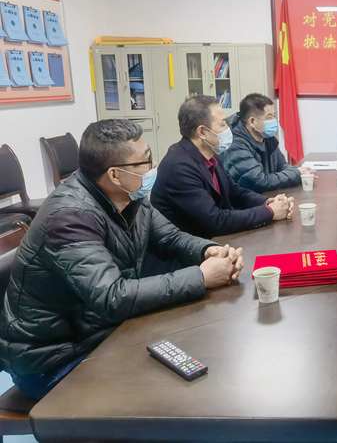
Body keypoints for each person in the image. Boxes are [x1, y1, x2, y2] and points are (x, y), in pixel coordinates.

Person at [0, 120, 244, 399]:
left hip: (100, 332)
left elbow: (171, 238)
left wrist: (209, 251)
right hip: (53, 360)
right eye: (145, 161)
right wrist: (201, 276)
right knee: (170, 394)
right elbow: (112, 297)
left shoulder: (128, 195)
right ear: (115, 174)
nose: (153, 166)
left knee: (202, 347)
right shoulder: (69, 218)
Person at [151, 95, 294, 239]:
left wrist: (267, 202)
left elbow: (235, 192)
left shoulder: (211, 156)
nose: (228, 129)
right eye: (223, 124)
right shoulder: (179, 167)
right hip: (188, 248)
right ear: (202, 132)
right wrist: (270, 212)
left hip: (213, 240)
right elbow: (216, 220)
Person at [223, 93, 315, 193]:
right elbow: (259, 181)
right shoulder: (236, 145)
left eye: (274, 116)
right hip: (246, 200)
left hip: (267, 196)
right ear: (252, 121)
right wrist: (296, 173)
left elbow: (282, 166)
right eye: (269, 117)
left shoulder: (267, 137)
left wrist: (301, 171)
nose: (274, 121)